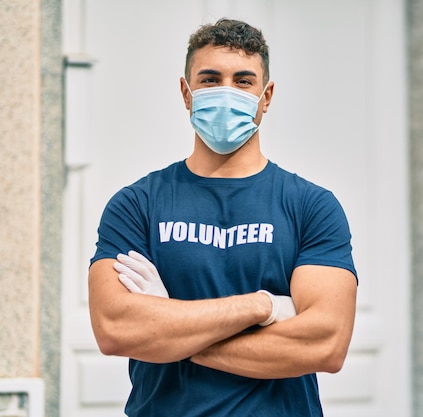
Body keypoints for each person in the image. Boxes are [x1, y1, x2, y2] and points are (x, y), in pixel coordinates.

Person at [88, 18, 358, 417]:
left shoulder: (311, 206)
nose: (226, 92)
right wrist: (263, 306)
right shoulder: (137, 204)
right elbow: (115, 330)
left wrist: (171, 326)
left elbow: (325, 344)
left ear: (266, 97)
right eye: (210, 79)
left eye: (243, 81)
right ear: (186, 92)